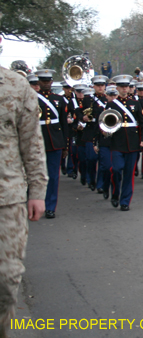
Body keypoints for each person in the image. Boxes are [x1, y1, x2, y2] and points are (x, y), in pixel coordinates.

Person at [0, 68, 47, 337]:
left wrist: (38, 191)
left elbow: (32, 142)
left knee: (6, 281)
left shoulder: (16, 86)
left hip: (6, 198)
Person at [105, 75, 143, 211]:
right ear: (117, 88)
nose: (124, 89)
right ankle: (115, 192)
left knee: (129, 173)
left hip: (132, 142)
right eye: (122, 87)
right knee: (116, 169)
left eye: (126, 87)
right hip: (117, 142)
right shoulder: (111, 104)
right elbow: (106, 122)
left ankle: (125, 201)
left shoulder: (135, 104)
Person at [35, 69, 68, 218]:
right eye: (43, 81)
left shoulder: (59, 100)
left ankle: (50, 207)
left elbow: (63, 124)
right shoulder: (31, 98)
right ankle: (36, 202)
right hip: (38, 140)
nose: (46, 83)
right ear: (39, 82)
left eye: (48, 81)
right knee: (37, 175)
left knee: (53, 176)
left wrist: (66, 145)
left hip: (55, 141)